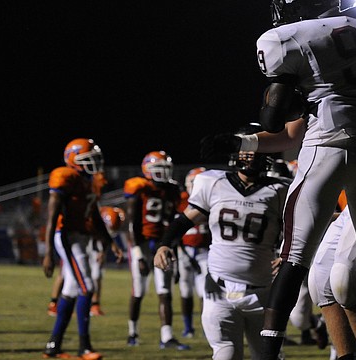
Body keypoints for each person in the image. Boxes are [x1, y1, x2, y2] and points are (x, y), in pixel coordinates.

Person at [254, 1, 356, 358]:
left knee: (294, 257)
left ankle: (268, 352)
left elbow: (273, 119)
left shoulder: (285, 38)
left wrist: (295, 101)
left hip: (326, 145)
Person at [155, 123, 289, 360]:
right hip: (220, 290)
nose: (249, 155)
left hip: (262, 294)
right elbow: (186, 219)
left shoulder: (280, 191)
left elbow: (302, 229)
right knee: (225, 354)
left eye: (255, 149)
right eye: (244, 148)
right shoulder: (213, 182)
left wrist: (287, 254)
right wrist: (165, 243)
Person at [42, 138, 122, 359]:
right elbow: (51, 217)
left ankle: (53, 347)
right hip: (67, 236)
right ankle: (84, 347)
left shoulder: (89, 181)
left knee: (70, 290)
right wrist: (48, 252)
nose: (93, 164)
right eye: (88, 160)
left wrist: (110, 242)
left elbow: (95, 215)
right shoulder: (64, 177)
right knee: (86, 287)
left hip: (81, 237)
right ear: (72, 160)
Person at [123, 151, 189, 351]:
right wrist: (138, 254)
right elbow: (131, 224)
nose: (163, 173)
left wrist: (174, 250)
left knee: (165, 292)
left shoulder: (172, 190)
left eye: (165, 168)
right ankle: (132, 332)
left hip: (163, 243)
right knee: (139, 291)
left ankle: (167, 336)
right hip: (142, 243)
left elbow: (174, 223)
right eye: (159, 168)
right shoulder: (139, 188)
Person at [176, 166, 211, 339]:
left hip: (205, 250)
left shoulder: (213, 199)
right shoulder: (181, 200)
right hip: (185, 250)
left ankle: (207, 326)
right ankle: (188, 327)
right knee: (185, 290)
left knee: (205, 291)